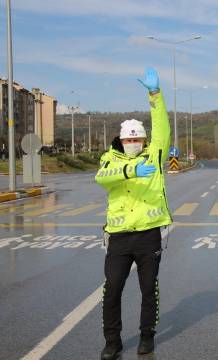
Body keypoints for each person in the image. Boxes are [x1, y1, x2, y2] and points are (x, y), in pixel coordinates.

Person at [95, 67, 171, 359]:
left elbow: (162, 127)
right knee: (112, 289)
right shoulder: (109, 158)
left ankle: (147, 336)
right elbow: (102, 178)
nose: (133, 144)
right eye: (128, 140)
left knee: (147, 290)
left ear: (143, 139)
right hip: (118, 236)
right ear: (121, 141)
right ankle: (112, 342)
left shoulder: (155, 154)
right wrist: (130, 169)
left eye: (137, 139)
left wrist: (155, 94)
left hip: (149, 234)